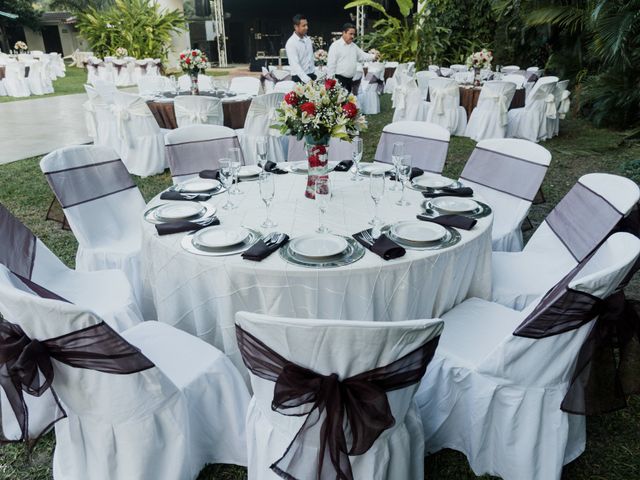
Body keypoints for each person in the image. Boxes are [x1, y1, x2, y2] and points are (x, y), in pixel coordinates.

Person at [327, 23, 377, 92]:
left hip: (350, 81)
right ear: (344, 33)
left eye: (354, 34)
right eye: (350, 34)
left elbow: (363, 56)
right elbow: (331, 64)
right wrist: (331, 82)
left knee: (348, 102)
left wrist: (374, 56)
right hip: (338, 80)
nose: (353, 36)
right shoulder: (335, 46)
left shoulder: (354, 46)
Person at [285, 14, 316, 84]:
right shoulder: (291, 43)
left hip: (311, 75)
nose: (306, 27)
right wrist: (307, 80)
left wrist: (313, 75)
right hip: (299, 78)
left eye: (307, 25)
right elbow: (295, 64)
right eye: (303, 26)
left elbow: (310, 59)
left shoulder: (308, 39)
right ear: (296, 27)